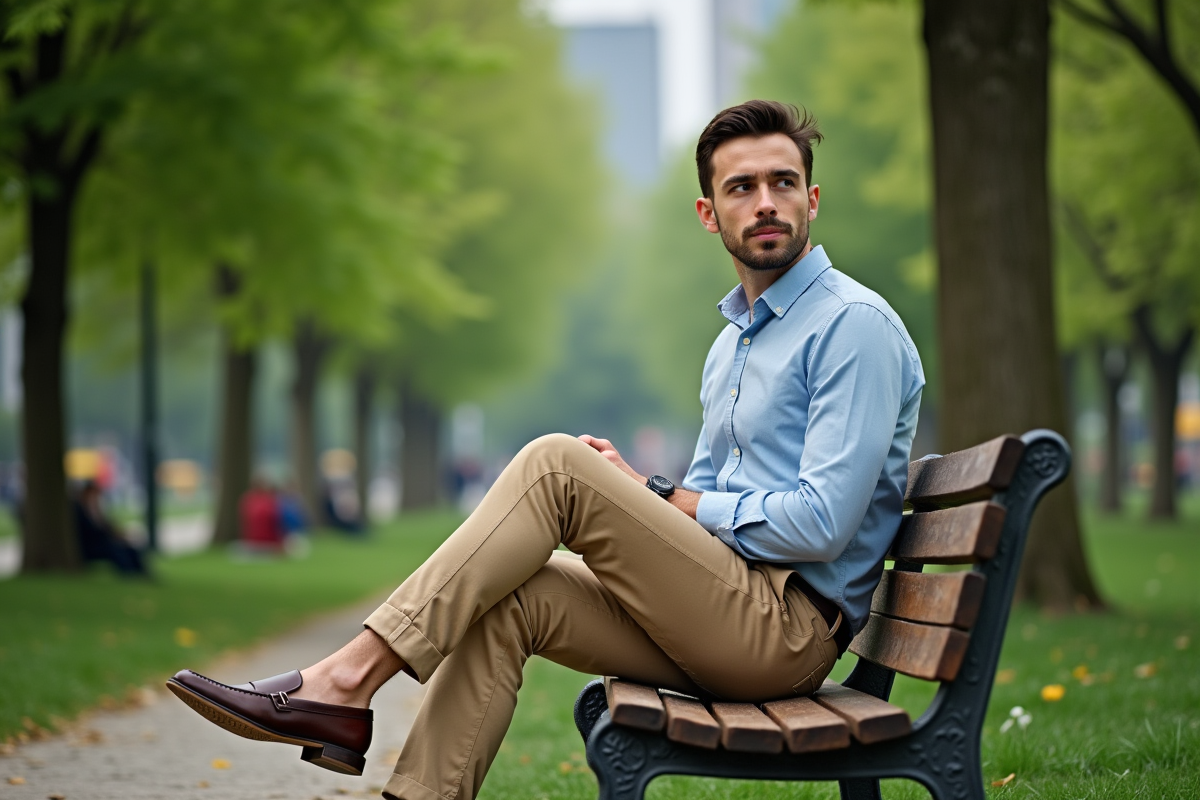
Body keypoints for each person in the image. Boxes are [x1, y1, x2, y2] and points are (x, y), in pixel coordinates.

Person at [167, 100, 925, 800]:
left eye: (783, 183)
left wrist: (658, 499)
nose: (765, 203)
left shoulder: (851, 327)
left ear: (812, 200)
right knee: (514, 597)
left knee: (557, 462)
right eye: (742, 187)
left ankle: (344, 681)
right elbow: (698, 515)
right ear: (708, 213)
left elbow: (822, 524)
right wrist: (638, 495)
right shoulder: (731, 345)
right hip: (727, 613)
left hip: (785, 635)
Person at [73, 480, 150, 577]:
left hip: (102, 542)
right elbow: (89, 531)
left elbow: (106, 526)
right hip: (90, 546)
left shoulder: (95, 510)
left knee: (129, 547)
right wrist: (110, 535)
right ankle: (128, 573)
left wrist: (118, 534)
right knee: (114, 549)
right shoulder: (79, 510)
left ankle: (140, 572)